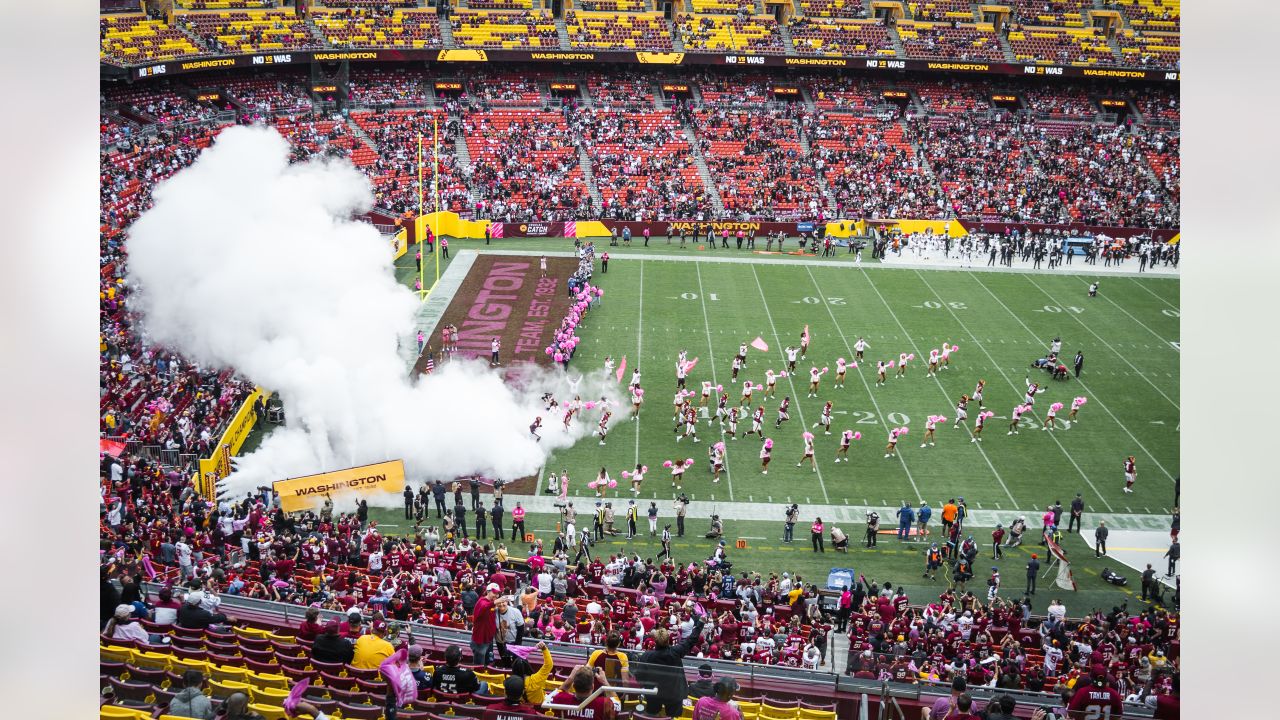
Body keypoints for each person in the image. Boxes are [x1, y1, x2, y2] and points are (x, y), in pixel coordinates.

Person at [634, 617, 706, 718]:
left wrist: (647, 686)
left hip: (654, 692)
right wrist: (700, 623)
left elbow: (639, 675)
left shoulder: (647, 655)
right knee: (673, 717)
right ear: (668, 640)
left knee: (652, 715)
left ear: (655, 641)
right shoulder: (675, 652)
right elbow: (691, 640)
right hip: (674, 693)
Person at [471, 583, 500, 665]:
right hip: (481, 639)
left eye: (498, 593)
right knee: (479, 664)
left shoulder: (491, 603)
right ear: (488, 591)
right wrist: (495, 602)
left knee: (487, 661)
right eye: (494, 592)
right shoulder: (482, 601)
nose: (496, 595)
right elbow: (484, 606)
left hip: (488, 638)